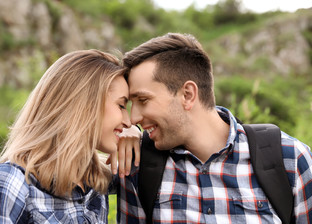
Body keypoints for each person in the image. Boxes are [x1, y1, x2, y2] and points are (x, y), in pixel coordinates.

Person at [117, 33, 312, 223]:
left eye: (143, 100)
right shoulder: (137, 165)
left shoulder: (291, 160)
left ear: (187, 94)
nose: (134, 118)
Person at [0, 49, 138, 223]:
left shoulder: (95, 179)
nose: (129, 121)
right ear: (85, 105)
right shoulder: (9, 183)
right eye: (121, 105)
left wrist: (138, 139)